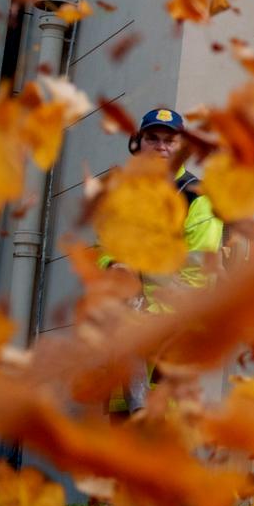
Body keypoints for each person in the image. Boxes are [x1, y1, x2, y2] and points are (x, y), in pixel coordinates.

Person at [99, 108, 233, 411]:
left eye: (170, 141)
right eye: (153, 139)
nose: (161, 147)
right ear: (139, 143)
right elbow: (105, 246)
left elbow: (198, 273)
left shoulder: (197, 197)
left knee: (161, 423)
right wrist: (112, 266)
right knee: (122, 420)